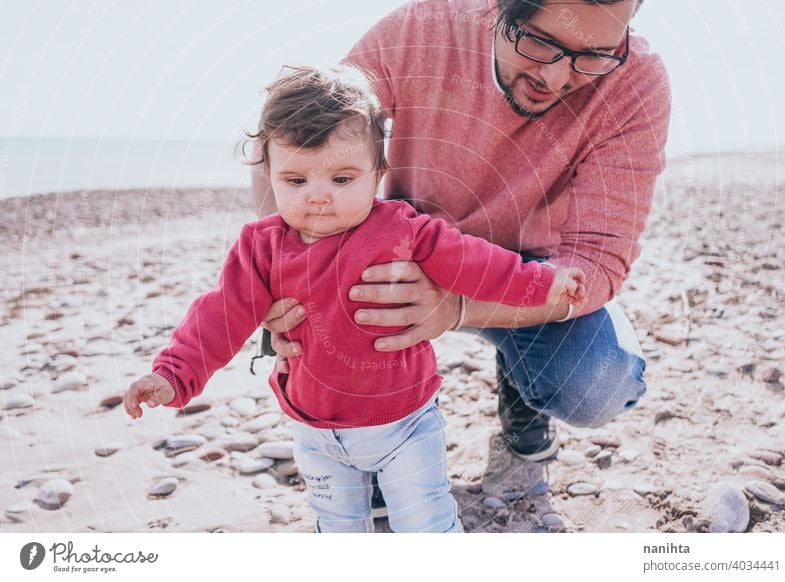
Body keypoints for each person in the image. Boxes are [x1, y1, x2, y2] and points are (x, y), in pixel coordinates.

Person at [123, 64, 586, 533]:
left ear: (378, 172)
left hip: (405, 423)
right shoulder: (262, 246)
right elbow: (220, 314)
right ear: (269, 175)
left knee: (427, 524)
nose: (319, 196)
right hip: (314, 430)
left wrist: (541, 283)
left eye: (342, 179)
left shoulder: (401, 228)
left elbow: (475, 263)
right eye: (297, 181)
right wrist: (172, 374)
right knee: (339, 528)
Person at [252, 0, 670, 470]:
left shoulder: (635, 83)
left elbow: (595, 266)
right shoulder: (424, 27)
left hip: (530, 272)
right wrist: (282, 275)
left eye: (593, 55)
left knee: (598, 383)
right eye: (539, 41)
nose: (554, 79)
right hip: (406, 252)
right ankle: (372, 444)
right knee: (336, 277)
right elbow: (291, 135)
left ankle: (521, 387)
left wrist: (457, 309)